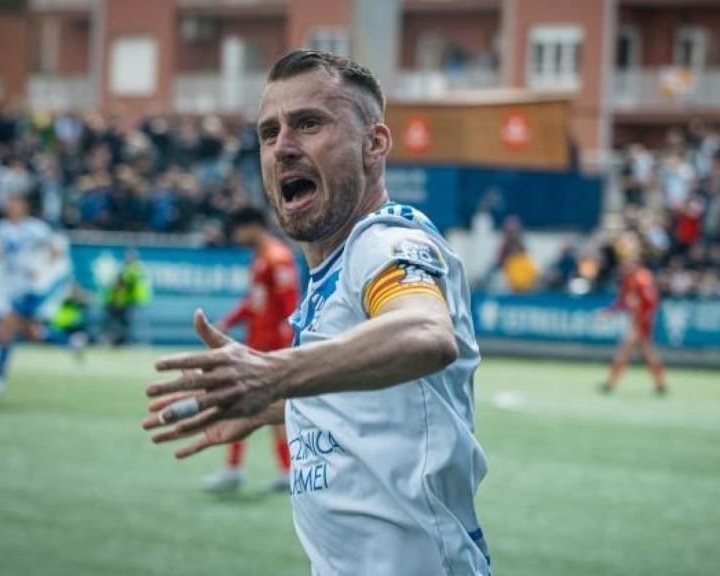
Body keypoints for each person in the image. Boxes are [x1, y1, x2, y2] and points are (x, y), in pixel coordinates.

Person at [142, 50, 491, 575]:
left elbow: (425, 332)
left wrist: (274, 374)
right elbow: (377, 406)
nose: (282, 147)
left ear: (374, 144)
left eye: (308, 124)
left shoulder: (384, 242)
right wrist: (276, 406)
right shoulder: (335, 272)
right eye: (268, 132)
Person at [203, 206, 299, 493]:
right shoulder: (261, 258)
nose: (236, 236)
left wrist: (284, 353)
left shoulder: (277, 258)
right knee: (264, 411)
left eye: (238, 229)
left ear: (252, 226)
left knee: (246, 406)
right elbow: (254, 303)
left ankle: (236, 470)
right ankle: (284, 472)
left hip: (271, 351)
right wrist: (228, 322)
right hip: (259, 347)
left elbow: (290, 309)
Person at [0, 194, 68, 399]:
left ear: (24, 206)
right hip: (11, 287)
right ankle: (70, 342)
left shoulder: (36, 228)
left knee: (6, 326)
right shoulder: (1, 229)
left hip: (29, 288)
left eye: (14, 203)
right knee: (33, 334)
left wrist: (40, 268)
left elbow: (56, 250)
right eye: (9, 204)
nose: (11, 207)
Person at [601, 233, 668, 395]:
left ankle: (611, 383)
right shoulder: (628, 278)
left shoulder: (642, 277)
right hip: (635, 320)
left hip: (641, 321)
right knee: (645, 352)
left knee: (627, 350)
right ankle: (660, 384)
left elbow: (651, 300)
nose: (624, 265)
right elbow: (623, 301)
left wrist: (642, 317)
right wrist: (609, 311)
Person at [101, 249, 150, 346]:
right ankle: (124, 341)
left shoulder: (134, 268)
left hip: (136, 299)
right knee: (125, 322)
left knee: (134, 323)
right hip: (128, 300)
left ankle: (138, 342)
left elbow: (126, 282)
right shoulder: (129, 268)